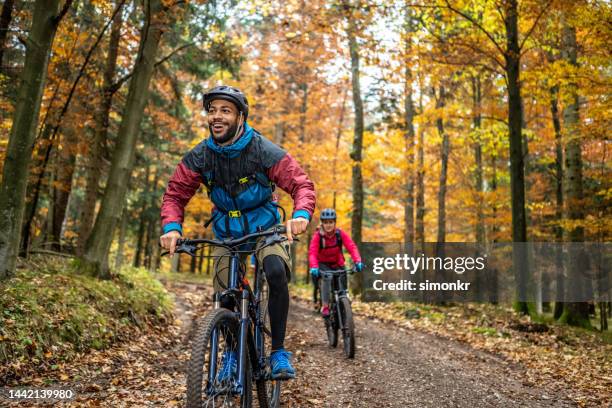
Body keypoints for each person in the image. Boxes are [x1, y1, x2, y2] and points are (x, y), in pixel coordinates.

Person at [159, 85, 315, 380]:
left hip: (264, 227)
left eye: (225, 111)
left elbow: (301, 184)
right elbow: (175, 194)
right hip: (225, 231)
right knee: (224, 290)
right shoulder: (201, 156)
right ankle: (232, 352)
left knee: (275, 269)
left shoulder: (262, 150)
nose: (216, 117)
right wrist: (171, 228)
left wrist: (300, 215)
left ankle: (279, 351)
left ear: (240, 116)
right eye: (212, 110)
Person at [308, 208, 363, 317]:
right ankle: (325, 306)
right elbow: (312, 253)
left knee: (342, 287)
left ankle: (344, 303)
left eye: (331, 222)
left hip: (338, 263)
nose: (328, 225)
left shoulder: (340, 233)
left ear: (334, 223)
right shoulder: (318, 236)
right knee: (327, 279)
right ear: (322, 223)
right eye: (326, 222)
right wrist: (314, 266)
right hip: (323, 264)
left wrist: (358, 261)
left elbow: (351, 247)